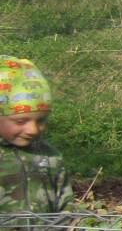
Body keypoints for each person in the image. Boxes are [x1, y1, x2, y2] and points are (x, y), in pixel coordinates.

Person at [0, 58, 73, 214]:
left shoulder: (49, 156)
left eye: (41, 120)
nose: (32, 130)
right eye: (20, 121)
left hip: (46, 230)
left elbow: (65, 204)